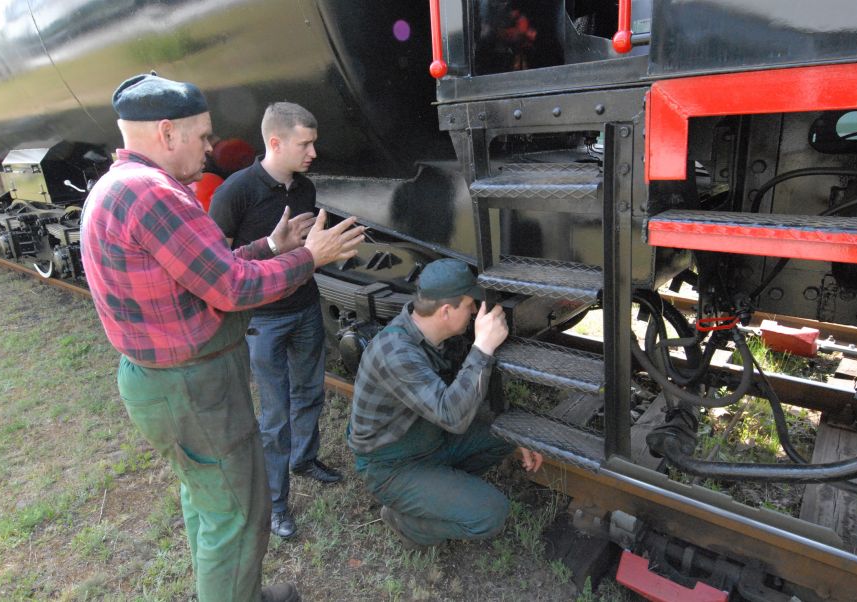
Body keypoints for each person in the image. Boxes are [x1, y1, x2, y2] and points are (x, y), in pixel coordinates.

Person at [79, 73, 364, 602]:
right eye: (204, 135)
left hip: (168, 382)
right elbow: (231, 289)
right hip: (192, 385)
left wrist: (272, 247)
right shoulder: (155, 195)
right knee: (237, 513)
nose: (213, 147)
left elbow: (205, 272)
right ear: (167, 133)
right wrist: (310, 257)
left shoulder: (118, 187)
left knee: (210, 501)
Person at [347, 258, 544, 550]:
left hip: (430, 441)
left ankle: (439, 489)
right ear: (447, 311)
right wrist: (484, 347)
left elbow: (462, 397)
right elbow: (453, 416)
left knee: (503, 435)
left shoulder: (436, 337)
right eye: (470, 305)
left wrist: (515, 435)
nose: (476, 311)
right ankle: (405, 521)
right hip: (392, 466)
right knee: (490, 513)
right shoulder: (395, 351)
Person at [210, 103, 339, 542]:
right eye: (305, 144)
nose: (313, 152)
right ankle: (278, 505)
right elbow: (217, 264)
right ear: (276, 142)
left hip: (304, 308)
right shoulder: (234, 193)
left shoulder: (305, 188)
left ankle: (304, 460)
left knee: (310, 393)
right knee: (275, 416)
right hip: (262, 322)